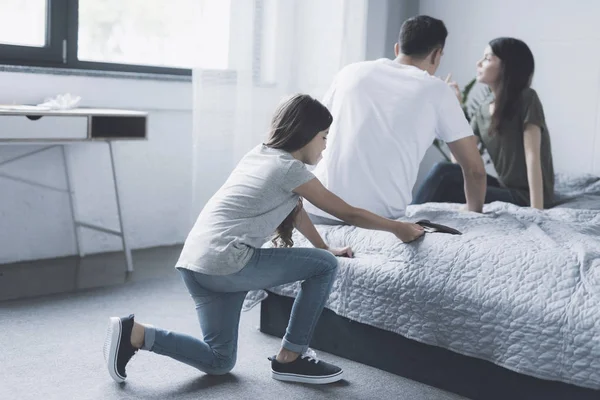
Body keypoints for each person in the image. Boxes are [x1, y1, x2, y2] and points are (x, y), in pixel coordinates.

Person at [103, 94, 425, 386]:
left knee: (219, 361)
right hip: (227, 263)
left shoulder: (259, 156)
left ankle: (136, 334)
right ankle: (291, 357)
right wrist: (398, 228)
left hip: (196, 265)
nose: (326, 146)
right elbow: (349, 213)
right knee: (324, 267)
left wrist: (323, 245)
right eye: (324, 137)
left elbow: (295, 211)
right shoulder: (288, 169)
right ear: (307, 133)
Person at [304, 15, 486, 225]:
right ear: (436, 54)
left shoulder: (351, 72)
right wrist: (473, 211)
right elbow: (475, 170)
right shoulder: (437, 90)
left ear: (397, 48)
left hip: (316, 207)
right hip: (378, 220)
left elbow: (315, 132)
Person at [413, 37, 555, 209]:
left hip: (527, 196)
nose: (478, 63)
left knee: (443, 178)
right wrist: (453, 109)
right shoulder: (482, 110)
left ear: (507, 66)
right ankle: (410, 219)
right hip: (505, 188)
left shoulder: (527, 99)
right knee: (445, 173)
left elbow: (532, 156)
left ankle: (407, 218)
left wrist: (537, 210)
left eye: (487, 58)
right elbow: (458, 162)